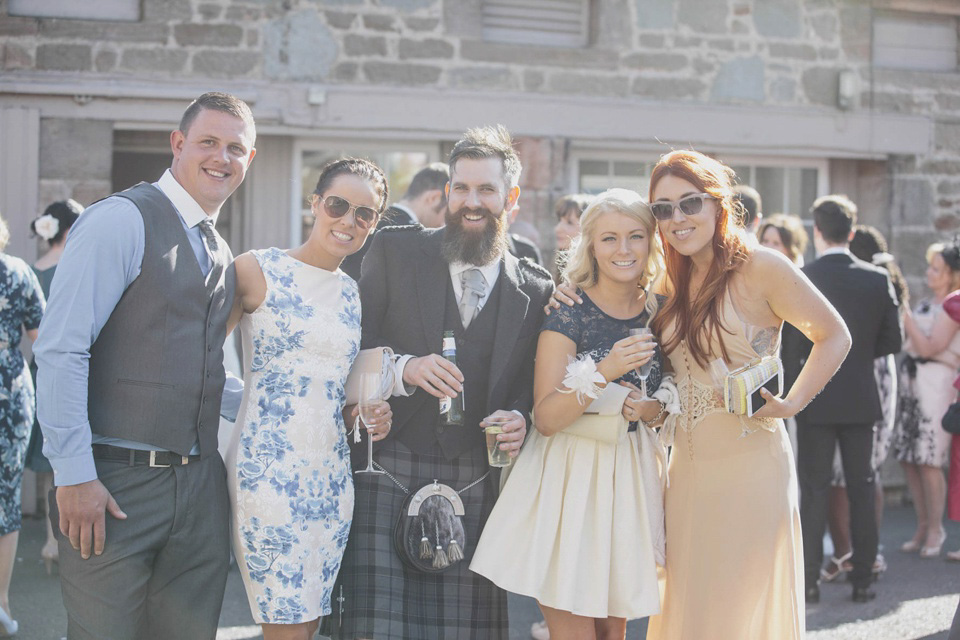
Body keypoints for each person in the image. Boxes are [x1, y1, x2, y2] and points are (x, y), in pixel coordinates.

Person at [33, 92, 257, 639]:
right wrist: (75, 475)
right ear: (178, 144)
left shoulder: (222, 252)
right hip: (114, 487)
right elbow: (61, 350)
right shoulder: (120, 221)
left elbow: (204, 373)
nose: (221, 158)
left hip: (200, 494)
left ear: (249, 160)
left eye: (236, 148)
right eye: (208, 142)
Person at [324, 125, 554, 640]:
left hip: (477, 477)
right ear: (448, 191)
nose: (471, 203)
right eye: (461, 188)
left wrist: (521, 416)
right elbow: (346, 350)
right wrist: (400, 370)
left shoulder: (537, 288)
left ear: (510, 198)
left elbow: (534, 384)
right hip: (388, 465)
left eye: (486, 190)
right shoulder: (395, 251)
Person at [641, 151, 849, 638]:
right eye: (662, 209)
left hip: (751, 467)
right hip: (686, 473)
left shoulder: (761, 266)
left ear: (718, 204)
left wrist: (794, 402)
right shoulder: (669, 277)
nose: (677, 219)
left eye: (689, 203)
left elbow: (834, 334)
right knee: (692, 610)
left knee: (737, 613)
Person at [472, 189, 665, 639]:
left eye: (635, 237)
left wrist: (652, 409)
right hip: (568, 480)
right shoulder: (569, 311)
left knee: (612, 634)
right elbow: (547, 417)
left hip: (628, 480)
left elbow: (666, 399)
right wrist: (607, 370)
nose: (623, 250)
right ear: (590, 246)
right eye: (609, 238)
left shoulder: (661, 309)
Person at [225, 158, 393, 640]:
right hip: (268, 469)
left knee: (311, 620)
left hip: (331, 476)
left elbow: (332, 391)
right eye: (338, 205)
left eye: (364, 214)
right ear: (315, 204)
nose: (348, 221)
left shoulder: (351, 294)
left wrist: (359, 413)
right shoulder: (256, 269)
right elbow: (197, 355)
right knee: (286, 623)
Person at [784, 195, 901, 605]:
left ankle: (810, 579)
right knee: (862, 490)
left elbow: (791, 345)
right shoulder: (875, 278)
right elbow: (892, 341)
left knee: (813, 491)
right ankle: (863, 580)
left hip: (816, 397)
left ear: (817, 231)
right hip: (861, 397)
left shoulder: (804, 276)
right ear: (851, 232)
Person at [819, 225, 907, 582]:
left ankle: (857, 554)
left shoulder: (864, 280)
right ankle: (858, 554)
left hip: (863, 378)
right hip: (872, 378)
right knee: (863, 474)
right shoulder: (874, 280)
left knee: (856, 475)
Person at [891, 240, 960, 559]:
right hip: (912, 381)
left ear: (951, 275)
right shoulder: (925, 304)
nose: (929, 273)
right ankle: (922, 526)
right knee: (910, 457)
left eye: (936, 268)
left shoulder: (951, 305)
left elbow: (931, 346)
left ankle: (936, 528)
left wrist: (904, 316)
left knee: (930, 459)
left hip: (937, 382)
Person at [25, 198, 83, 575]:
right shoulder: (75, 265)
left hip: (37, 370)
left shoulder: (34, 269)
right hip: (71, 367)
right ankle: (63, 541)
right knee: (70, 454)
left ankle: (50, 540)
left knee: (47, 460)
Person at [0, 212, 45, 636]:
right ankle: (3, 604)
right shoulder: (17, 272)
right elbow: (43, 337)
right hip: (9, 390)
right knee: (5, 496)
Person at [340, 162, 449, 280]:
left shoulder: (369, 221)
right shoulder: (413, 238)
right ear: (433, 198)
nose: (444, 224)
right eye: (447, 213)